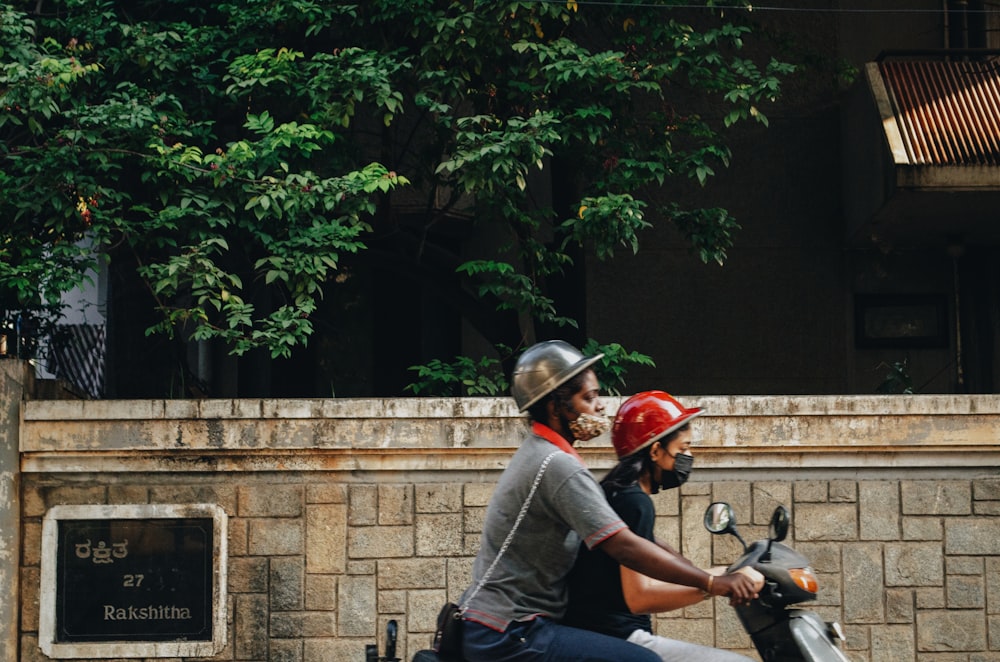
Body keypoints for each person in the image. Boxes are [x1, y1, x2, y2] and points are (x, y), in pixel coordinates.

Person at [457, 341, 759, 662]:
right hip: (510, 630)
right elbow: (624, 546)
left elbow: (644, 541)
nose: (600, 406)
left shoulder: (543, 454)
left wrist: (709, 574)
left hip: (503, 625)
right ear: (556, 406)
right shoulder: (557, 464)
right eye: (588, 398)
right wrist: (711, 582)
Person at [564, 390, 761, 662]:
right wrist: (714, 586)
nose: (688, 457)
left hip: (597, 634)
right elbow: (639, 597)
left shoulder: (615, 492)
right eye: (683, 449)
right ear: (656, 451)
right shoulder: (634, 502)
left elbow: (658, 561)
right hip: (620, 638)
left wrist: (723, 573)